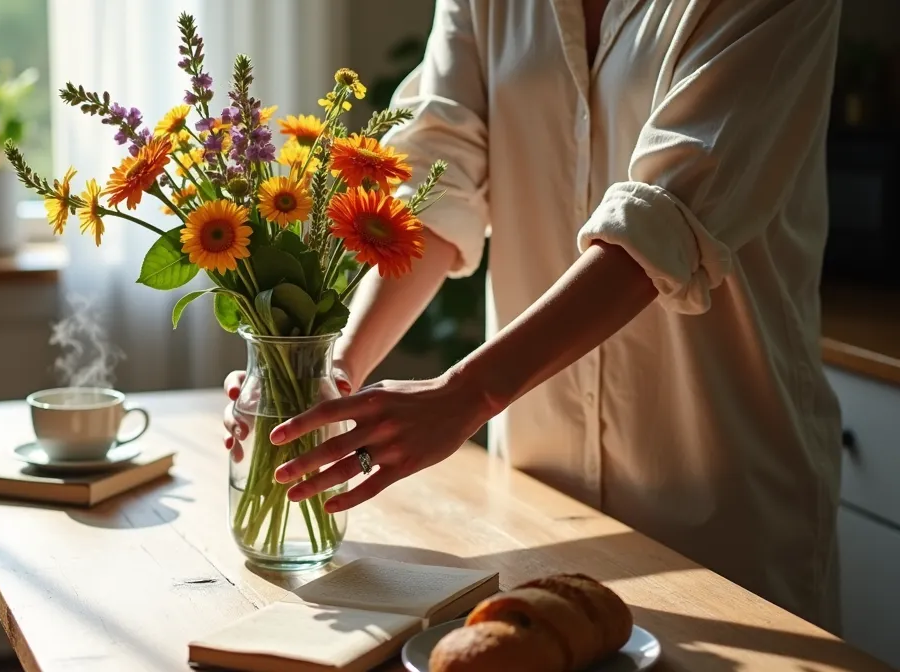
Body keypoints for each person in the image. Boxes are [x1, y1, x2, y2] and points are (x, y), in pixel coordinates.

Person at [223, 0, 844, 629]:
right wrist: (333, 378)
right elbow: (442, 182)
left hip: (725, 507)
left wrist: (466, 394)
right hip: (538, 501)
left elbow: (667, 218)